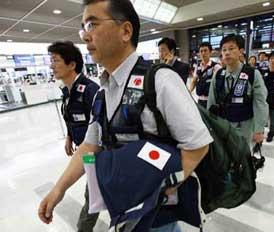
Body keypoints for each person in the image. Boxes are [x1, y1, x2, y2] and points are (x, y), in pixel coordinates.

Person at [38, 1, 212, 232]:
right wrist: (59, 189)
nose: (85, 36)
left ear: (125, 31)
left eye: (92, 24)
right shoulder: (103, 91)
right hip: (124, 208)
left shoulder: (160, 80)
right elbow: (90, 145)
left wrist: (163, 187)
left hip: (157, 215)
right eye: (83, 27)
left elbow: (198, 145)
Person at [48, 41, 100, 232]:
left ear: (72, 64)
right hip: (83, 150)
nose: (51, 65)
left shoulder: (90, 90)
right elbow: (72, 117)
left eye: (56, 60)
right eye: (50, 60)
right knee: (95, 194)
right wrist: (70, 136)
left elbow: (99, 126)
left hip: (96, 154)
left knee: (93, 195)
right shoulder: (66, 91)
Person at [207, 34, 268, 147]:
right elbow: (211, 101)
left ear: (241, 51)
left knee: (243, 156)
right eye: (224, 50)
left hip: (245, 127)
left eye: (231, 48)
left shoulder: (252, 74)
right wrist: (210, 124)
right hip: (223, 125)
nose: (227, 53)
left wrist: (259, 130)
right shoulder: (218, 74)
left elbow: (260, 103)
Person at [189, 42, 222, 108]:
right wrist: (189, 92)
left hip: (212, 101)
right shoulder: (198, 67)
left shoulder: (216, 67)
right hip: (200, 100)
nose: (203, 53)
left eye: (205, 50)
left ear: (210, 52)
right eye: (201, 51)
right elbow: (194, 81)